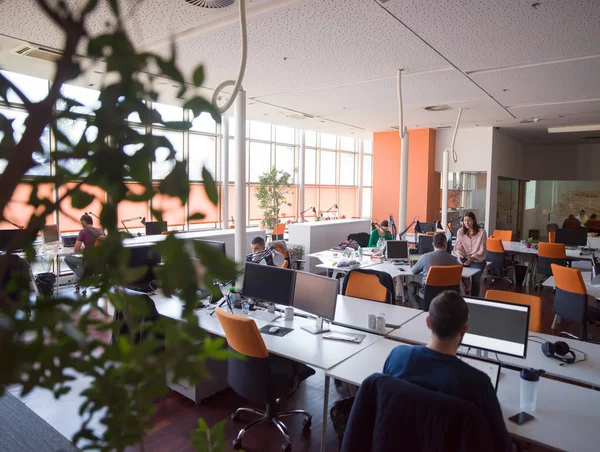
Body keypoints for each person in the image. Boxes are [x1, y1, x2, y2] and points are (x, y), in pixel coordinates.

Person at [383, 291, 512, 452]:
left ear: (428, 322)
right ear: (464, 330)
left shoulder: (397, 356)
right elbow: (501, 445)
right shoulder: (478, 383)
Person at [411, 233, 459, 298]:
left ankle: (416, 307)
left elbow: (413, 271)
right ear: (445, 244)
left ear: (433, 244)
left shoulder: (425, 257)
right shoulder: (454, 260)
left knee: (410, 285)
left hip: (428, 294)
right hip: (447, 295)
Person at [64, 214, 105, 287]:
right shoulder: (101, 230)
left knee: (66, 258)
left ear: (84, 222)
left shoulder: (83, 231)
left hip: (88, 262)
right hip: (100, 262)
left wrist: (82, 248)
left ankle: (81, 278)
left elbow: (76, 249)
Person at [452, 212, 487, 297]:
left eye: (469, 220)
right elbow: (458, 247)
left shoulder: (481, 232)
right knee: (454, 272)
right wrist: (459, 255)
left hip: (477, 259)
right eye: (465, 220)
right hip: (464, 257)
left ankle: (474, 299)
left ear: (474, 221)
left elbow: (481, 251)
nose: (466, 223)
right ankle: (458, 295)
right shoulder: (460, 231)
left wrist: (471, 258)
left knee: (475, 279)